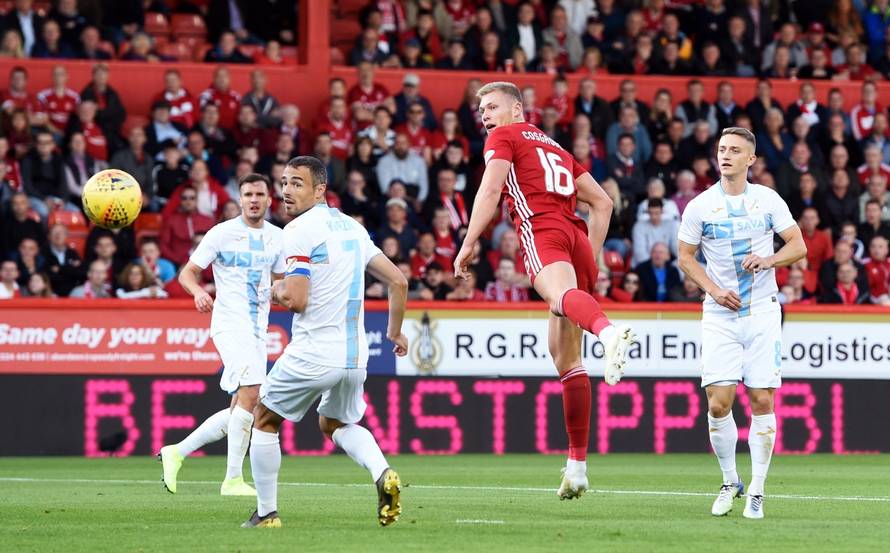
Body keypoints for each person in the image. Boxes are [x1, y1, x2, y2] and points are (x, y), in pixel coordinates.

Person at [453, 81, 634, 501]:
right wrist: (589, 257)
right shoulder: (553, 144)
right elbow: (603, 203)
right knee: (566, 359)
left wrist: (468, 243)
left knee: (556, 300)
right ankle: (577, 468)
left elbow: (491, 189)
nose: (485, 115)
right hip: (575, 238)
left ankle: (609, 333)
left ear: (516, 109)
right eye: (481, 109)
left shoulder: (504, 136)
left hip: (543, 229)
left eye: (493, 106)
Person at [242, 156, 408, 529]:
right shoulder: (353, 228)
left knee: (264, 420)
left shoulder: (298, 231)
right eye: (283, 182)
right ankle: (383, 473)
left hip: (313, 352)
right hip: (355, 356)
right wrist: (395, 332)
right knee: (333, 423)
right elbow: (399, 282)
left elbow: (296, 299)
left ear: (320, 189)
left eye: (297, 183)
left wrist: (274, 290)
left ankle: (266, 513)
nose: (286, 191)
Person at [677, 127, 807, 520]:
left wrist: (768, 260)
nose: (726, 155)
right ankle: (729, 479)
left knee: (763, 399)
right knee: (718, 403)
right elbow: (685, 256)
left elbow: (797, 245)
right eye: (722, 149)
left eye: (735, 151)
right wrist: (714, 290)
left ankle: (757, 489)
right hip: (719, 313)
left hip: (763, 311)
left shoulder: (768, 200)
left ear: (751, 159)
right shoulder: (700, 206)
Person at [159, 173, 285, 497]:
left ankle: (177, 451)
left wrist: (281, 292)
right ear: (240, 199)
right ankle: (232, 480)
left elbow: (284, 282)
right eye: (248, 194)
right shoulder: (222, 233)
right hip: (229, 324)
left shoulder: (278, 238)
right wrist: (198, 292)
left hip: (259, 329)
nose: (254, 199)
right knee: (252, 392)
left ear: (269, 199)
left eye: (259, 194)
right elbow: (187, 273)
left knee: (242, 405)